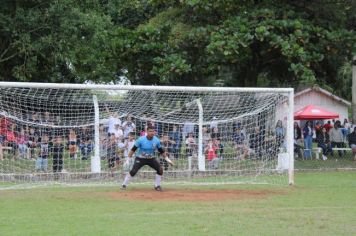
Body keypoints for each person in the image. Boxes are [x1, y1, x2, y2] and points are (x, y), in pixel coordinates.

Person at [121, 125, 174, 191]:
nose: (152, 133)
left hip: (151, 159)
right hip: (140, 158)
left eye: (153, 131)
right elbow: (133, 150)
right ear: (146, 131)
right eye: (150, 131)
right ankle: (124, 185)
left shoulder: (156, 140)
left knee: (160, 169)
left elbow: (161, 151)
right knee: (133, 171)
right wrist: (127, 160)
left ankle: (157, 186)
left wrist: (167, 159)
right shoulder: (141, 139)